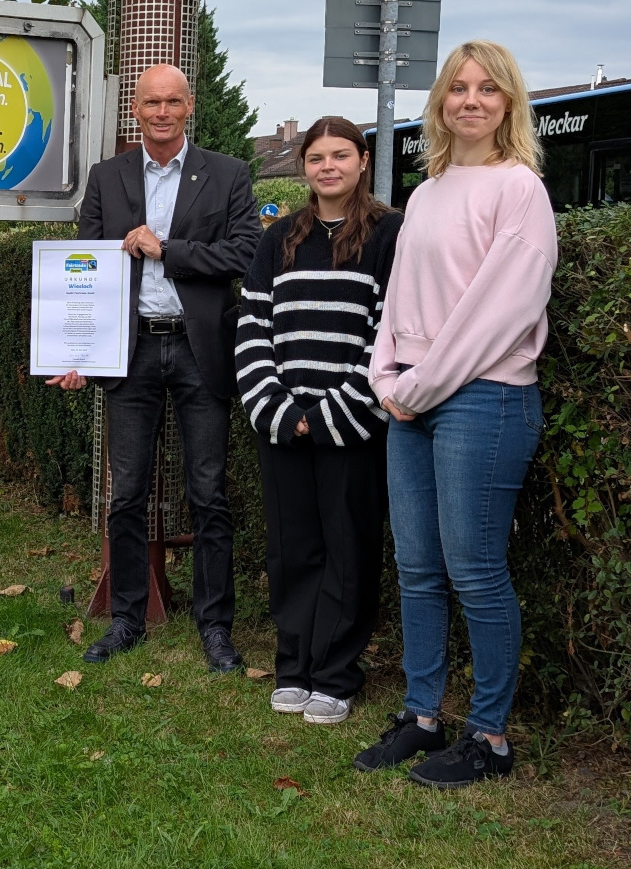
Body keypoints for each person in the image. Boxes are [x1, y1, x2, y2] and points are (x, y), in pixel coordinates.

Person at [356, 41, 557, 787]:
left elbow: (498, 314)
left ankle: (492, 738)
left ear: (508, 103)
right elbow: (402, 301)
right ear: (440, 102)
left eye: (487, 89)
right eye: (457, 88)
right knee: (416, 567)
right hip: (411, 397)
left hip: (484, 398)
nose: (470, 100)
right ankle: (421, 715)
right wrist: (385, 373)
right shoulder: (431, 189)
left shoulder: (520, 191)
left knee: (474, 569)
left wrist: (418, 385)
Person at [50, 64, 261, 671]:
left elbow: (244, 253)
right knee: (128, 491)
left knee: (208, 492)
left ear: (189, 106)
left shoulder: (228, 175)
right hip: (131, 350)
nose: (162, 112)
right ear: (134, 111)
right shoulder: (106, 178)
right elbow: (82, 272)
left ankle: (215, 626)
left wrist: (167, 249)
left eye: (173, 101)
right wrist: (77, 355)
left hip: (200, 351)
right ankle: (126, 618)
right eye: (151, 103)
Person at [236, 117, 402, 726]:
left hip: (352, 424)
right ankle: (294, 667)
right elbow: (253, 327)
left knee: (348, 549)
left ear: (362, 160)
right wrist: (279, 410)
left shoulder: (390, 234)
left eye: (340, 156)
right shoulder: (278, 237)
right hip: (282, 421)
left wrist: (334, 412)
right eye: (315, 158)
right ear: (303, 167)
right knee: (292, 549)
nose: (327, 166)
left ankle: (335, 674)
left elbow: (391, 331)